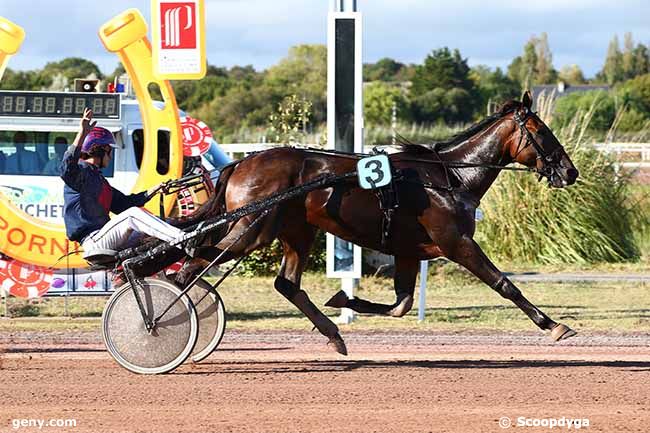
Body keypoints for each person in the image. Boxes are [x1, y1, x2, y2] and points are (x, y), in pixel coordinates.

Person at [61, 108, 194, 257]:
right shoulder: (80, 171)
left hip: (106, 236)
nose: (111, 157)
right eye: (110, 151)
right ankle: (183, 239)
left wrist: (154, 190)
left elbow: (124, 204)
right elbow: (66, 168)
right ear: (102, 149)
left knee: (157, 226)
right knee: (132, 215)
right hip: (94, 241)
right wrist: (82, 133)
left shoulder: (99, 180)